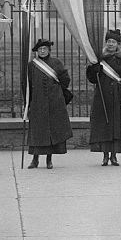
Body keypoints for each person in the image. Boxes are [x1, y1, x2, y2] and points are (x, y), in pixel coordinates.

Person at [86, 29, 121, 166]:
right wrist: (92, 70)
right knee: (104, 126)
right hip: (102, 96)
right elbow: (92, 79)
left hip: (117, 97)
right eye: (108, 41)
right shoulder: (98, 58)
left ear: (118, 44)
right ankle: (105, 155)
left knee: (115, 126)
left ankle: (114, 156)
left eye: (113, 42)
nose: (110, 44)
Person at [25, 38, 73, 169]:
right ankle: (35, 160)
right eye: (40, 49)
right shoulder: (32, 65)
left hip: (54, 102)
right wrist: (28, 104)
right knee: (37, 132)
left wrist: (57, 91)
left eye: (44, 49)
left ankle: (49, 160)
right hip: (38, 103)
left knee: (51, 132)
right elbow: (27, 85)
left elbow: (65, 79)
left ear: (49, 50)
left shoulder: (56, 63)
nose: (42, 51)